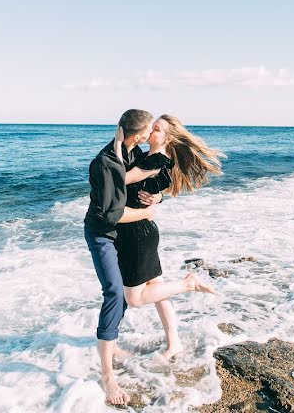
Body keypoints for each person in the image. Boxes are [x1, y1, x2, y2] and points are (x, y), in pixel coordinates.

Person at [115, 114, 223, 360]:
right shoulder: (149, 158)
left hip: (137, 234)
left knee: (135, 298)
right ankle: (174, 343)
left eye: (156, 129)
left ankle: (188, 284)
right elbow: (148, 186)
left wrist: (115, 144)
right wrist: (158, 197)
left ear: (168, 137)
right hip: (142, 230)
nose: (150, 131)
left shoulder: (156, 160)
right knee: (157, 290)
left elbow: (119, 178)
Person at [84, 109, 162, 406]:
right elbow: (110, 214)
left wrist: (156, 198)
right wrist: (145, 213)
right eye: (148, 130)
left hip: (125, 235)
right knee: (115, 292)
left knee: (128, 285)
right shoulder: (105, 163)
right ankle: (107, 376)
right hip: (103, 234)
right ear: (139, 134)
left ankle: (112, 345)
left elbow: (147, 185)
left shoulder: (133, 152)